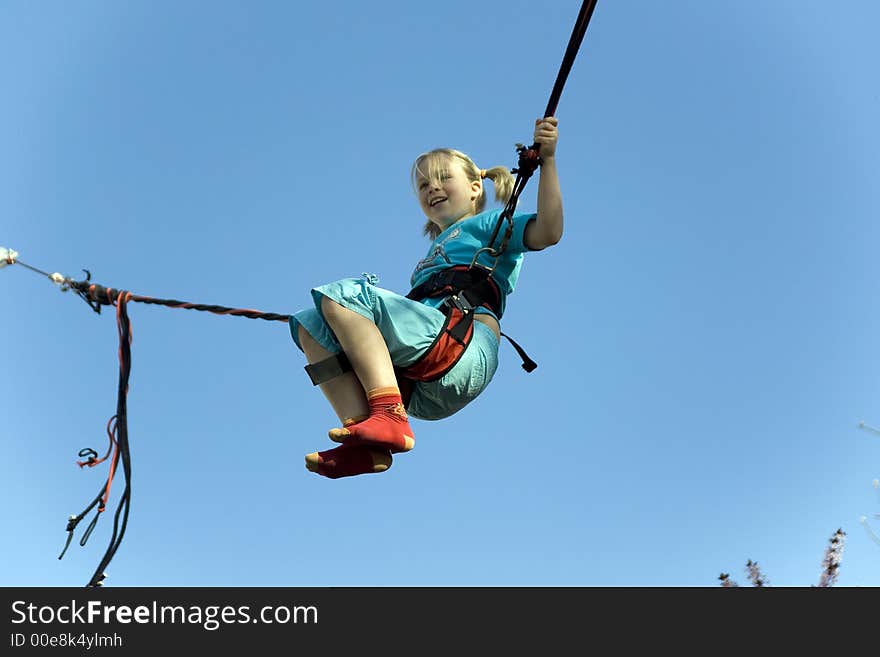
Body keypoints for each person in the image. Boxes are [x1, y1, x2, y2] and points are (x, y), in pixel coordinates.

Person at [289, 117, 563, 479]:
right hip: (424, 389)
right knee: (308, 323)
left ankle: (389, 415)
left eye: (444, 178)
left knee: (344, 296)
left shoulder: (489, 225)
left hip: (463, 349)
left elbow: (549, 231)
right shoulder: (428, 260)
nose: (432, 188)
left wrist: (548, 162)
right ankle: (367, 442)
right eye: (422, 185)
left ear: (476, 187)